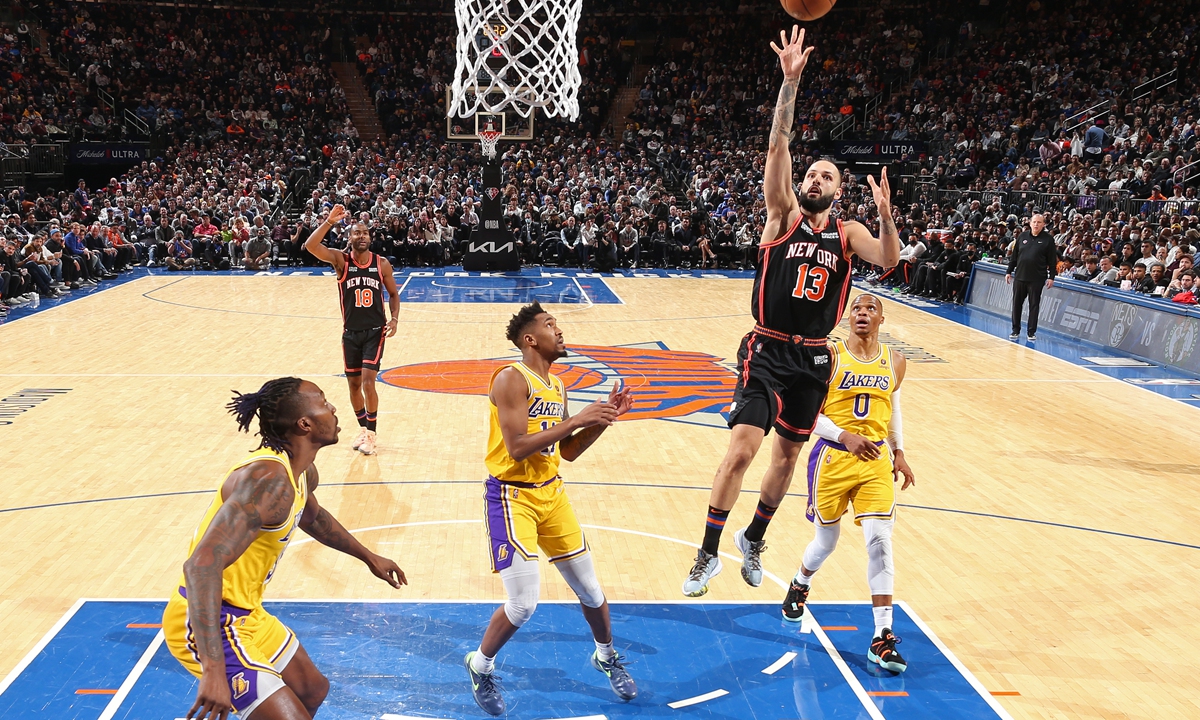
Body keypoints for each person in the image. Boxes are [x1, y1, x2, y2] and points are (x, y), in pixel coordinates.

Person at [682, 27, 900, 597]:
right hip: (766, 347)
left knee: (784, 460)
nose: (814, 180)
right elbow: (779, 145)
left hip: (814, 359)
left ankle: (753, 537)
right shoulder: (781, 215)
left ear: (838, 189)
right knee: (742, 450)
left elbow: (890, 259)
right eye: (810, 174)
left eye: (825, 176)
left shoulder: (848, 233)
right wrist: (790, 82)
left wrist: (884, 216)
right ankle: (707, 554)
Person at [162, 377, 407, 720]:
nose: (333, 408)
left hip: (246, 614)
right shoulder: (268, 481)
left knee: (311, 690)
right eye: (323, 402)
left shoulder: (300, 471)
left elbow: (313, 517)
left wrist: (369, 557)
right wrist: (214, 671)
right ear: (305, 424)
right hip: (210, 618)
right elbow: (201, 565)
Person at [465, 302, 637, 716]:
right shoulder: (510, 378)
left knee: (591, 590)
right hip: (512, 497)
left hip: (552, 493)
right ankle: (480, 666)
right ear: (530, 339)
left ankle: (606, 656)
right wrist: (577, 419)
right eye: (549, 324)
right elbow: (517, 448)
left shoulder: (557, 385)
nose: (558, 330)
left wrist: (602, 419)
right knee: (523, 603)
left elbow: (568, 451)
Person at [781, 294, 916, 675]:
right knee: (826, 542)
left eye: (871, 309)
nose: (863, 313)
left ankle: (882, 635)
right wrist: (844, 436)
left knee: (880, 540)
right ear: (847, 317)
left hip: (875, 460)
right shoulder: (828, 357)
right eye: (857, 308)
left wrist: (899, 451)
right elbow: (807, 414)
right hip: (832, 457)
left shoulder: (895, 361)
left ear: (881, 319)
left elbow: (893, 409)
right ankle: (800, 582)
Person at [304, 204, 400, 456]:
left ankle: (372, 434)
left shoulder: (381, 264)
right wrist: (328, 222)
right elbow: (311, 246)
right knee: (354, 386)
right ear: (350, 238)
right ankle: (363, 429)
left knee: (368, 382)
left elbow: (393, 294)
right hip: (350, 333)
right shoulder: (341, 261)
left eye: (365, 232)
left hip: (375, 332)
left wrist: (394, 319)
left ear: (370, 237)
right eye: (357, 233)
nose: (362, 236)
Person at [1005, 214, 1056, 341]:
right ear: (1030, 223)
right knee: (1016, 304)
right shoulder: (1022, 236)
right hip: (1020, 276)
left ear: (1044, 224)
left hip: (1037, 278)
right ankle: (1015, 330)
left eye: (1039, 222)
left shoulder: (1048, 239)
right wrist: (1008, 271)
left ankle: (1031, 332)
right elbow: (1014, 256)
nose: (1036, 224)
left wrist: (1051, 277)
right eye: (1034, 222)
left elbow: (1052, 261)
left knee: (1034, 305)